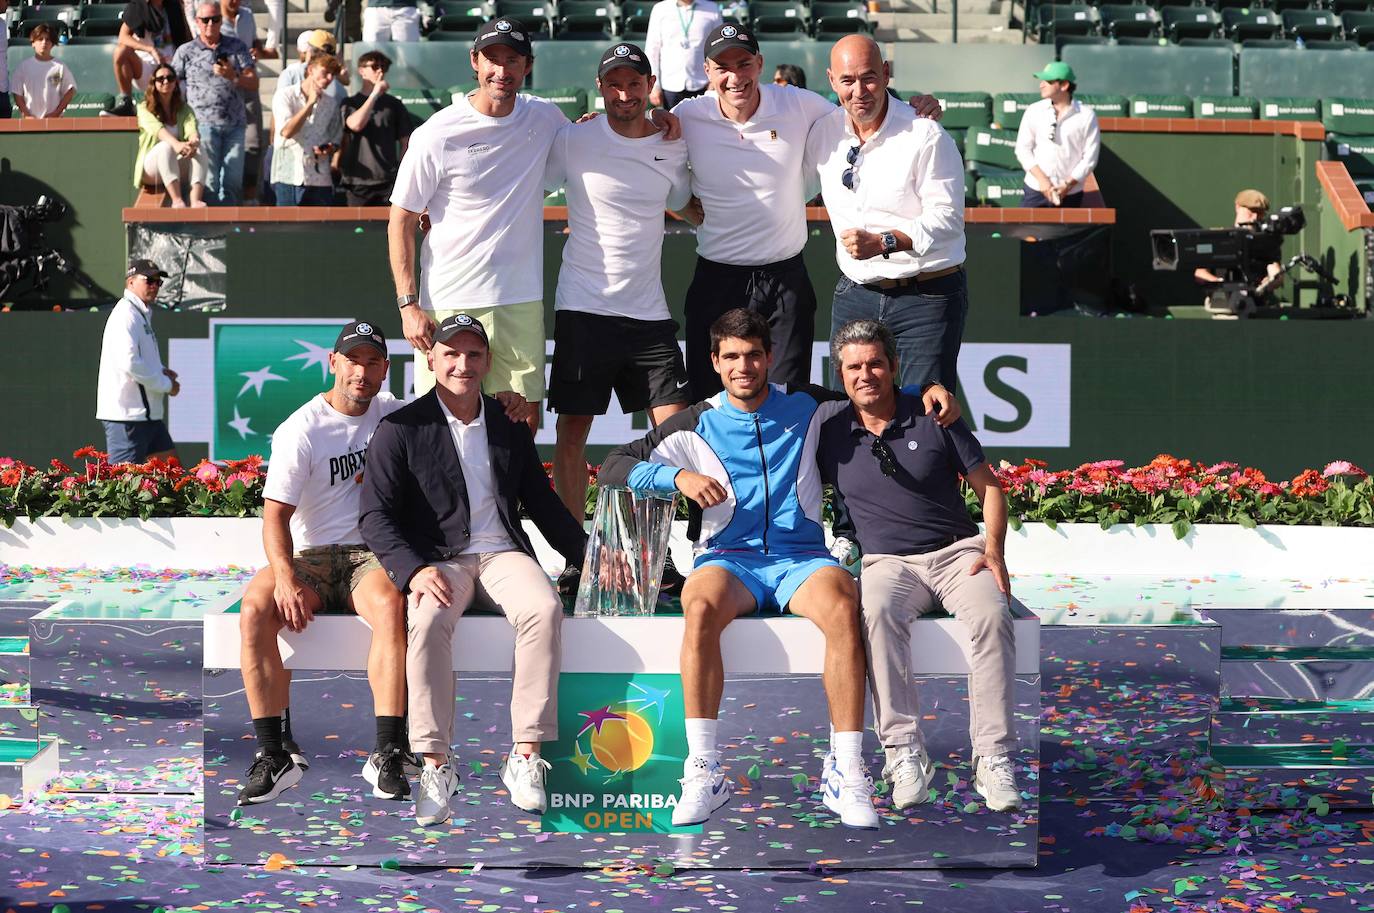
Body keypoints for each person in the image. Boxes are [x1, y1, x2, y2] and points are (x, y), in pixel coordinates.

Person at [599, 308, 960, 829]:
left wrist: (931, 388)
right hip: (728, 559)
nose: (743, 366)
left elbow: (873, 391)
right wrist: (676, 478)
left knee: (843, 604)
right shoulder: (696, 420)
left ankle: (846, 768)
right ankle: (703, 771)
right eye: (731, 357)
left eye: (753, 355)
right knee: (698, 607)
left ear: (769, 357)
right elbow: (615, 466)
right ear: (714, 363)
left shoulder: (810, 405)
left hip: (802, 559)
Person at [359, 313, 588, 827]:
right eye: (451, 354)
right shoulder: (400, 428)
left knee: (545, 607)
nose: (463, 364)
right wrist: (413, 571)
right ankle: (436, 765)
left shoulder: (509, 421)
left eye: (474, 355)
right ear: (432, 359)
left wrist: (593, 559)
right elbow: (375, 517)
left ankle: (525, 755)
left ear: (487, 362)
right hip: (437, 561)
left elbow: (543, 503)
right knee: (428, 621)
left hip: (504, 554)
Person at [389, 18, 676, 423]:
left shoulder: (546, 119)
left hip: (519, 300)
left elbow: (599, 137)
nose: (501, 71)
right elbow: (400, 219)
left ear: (528, 66)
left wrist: (659, 118)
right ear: (475, 61)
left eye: (513, 59)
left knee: (521, 427)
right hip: (449, 297)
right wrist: (408, 305)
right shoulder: (438, 132)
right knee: (445, 428)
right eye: (492, 59)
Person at [815, 319, 1021, 813]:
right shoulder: (828, 431)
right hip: (886, 563)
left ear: (894, 367)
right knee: (876, 614)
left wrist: (993, 550)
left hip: (957, 554)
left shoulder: (935, 416)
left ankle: (993, 758)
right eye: (854, 367)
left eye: (875, 364)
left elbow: (989, 487)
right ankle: (902, 753)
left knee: (994, 616)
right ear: (840, 375)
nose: (866, 375)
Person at [673, 25, 943, 399]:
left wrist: (917, 107)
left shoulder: (798, 104)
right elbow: (648, 153)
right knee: (709, 401)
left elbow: (860, 104)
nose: (735, 77)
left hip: (785, 279)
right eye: (723, 67)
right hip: (716, 278)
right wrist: (682, 205)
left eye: (744, 64)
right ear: (707, 72)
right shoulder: (686, 115)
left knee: (790, 400)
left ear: (760, 64)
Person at [237, 321, 410, 806]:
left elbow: (459, 401)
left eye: (373, 361)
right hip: (311, 557)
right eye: (353, 360)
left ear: (385, 370)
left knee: (393, 606)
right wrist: (287, 579)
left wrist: (509, 400)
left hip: (370, 556)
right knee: (255, 609)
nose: (362, 370)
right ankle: (276, 755)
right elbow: (274, 519)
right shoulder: (301, 428)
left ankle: (388, 752)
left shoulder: (396, 413)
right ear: (333, 364)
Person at [543, 42, 693, 523]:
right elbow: (521, 185)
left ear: (650, 87)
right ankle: (573, 551)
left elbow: (692, 206)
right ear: (600, 88)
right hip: (584, 310)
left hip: (650, 315)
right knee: (572, 431)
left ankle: (659, 551)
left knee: (677, 435)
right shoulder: (573, 139)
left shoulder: (673, 144)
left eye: (634, 83)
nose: (624, 93)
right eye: (615, 84)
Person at [804, 35, 967, 393]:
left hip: (926, 295)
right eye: (847, 80)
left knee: (925, 419)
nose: (859, 90)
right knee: (847, 416)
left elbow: (948, 220)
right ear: (832, 81)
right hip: (855, 293)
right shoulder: (823, 132)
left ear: (887, 74)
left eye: (869, 77)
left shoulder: (926, 133)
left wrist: (883, 242)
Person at [171, 1, 258, 205]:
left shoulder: (237, 46)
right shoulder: (186, 51)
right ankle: (210, 234)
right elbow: (171, 84)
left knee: (233, 183)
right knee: (208, 183)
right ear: (197, 22)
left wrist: (233, 76)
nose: (210, 24)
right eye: (205, 20)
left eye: (215, 19)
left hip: (235, 124)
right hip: (202, 126)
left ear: (221, 20)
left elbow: (253, 82)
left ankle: (229, 232)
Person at [96, 259, 180, 463]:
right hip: (128, 418)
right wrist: (166, 385)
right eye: (149, 280)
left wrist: (161, 370)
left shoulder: (140, 313)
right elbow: (129, 362)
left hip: (147, 417)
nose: (154, 286)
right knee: (122, 489)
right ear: (130, 282)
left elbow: (140, 358)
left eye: (158, 282)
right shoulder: (126, 315)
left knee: (171, 475)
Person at [1015, 62, 1099, 209]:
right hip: (1035, 191)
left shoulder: (1086, 116)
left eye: (1048, 81)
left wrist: (1066, 186)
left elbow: (1090, 158)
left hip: (1071, 194)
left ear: (1064, 85)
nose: (1041, 84)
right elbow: (1022, 149)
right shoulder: (1034, 110)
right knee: (1026, 232)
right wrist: (1043, 181)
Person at [339, 50, 411, 207]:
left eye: (383, 67)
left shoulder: (394, 104)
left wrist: (400, 171)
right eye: (375, 66)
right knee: (356, 230)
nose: (380, 70)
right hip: (357, 181)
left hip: (387, 182)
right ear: (362, 71)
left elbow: (406, 141)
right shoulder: (350, 102)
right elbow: (355, 125)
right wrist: (374, 94)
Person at [270, 52, 343, 206]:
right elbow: (286, 132)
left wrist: (329, 148)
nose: (329, 78)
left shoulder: (331, 103)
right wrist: (310, 104)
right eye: (325, 72)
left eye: (332, 74)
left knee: (320, 228)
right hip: (289, 174)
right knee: (287, 226)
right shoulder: (285, 95)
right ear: (311, 70)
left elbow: (336, 137)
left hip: (319, 176)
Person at [134, 63, 209, 208]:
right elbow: (158, 130)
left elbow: (191, 128)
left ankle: (195, 200)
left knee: (199, 149)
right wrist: (177, 144)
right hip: (151, 169)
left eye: (170, 78)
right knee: (165, 147)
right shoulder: (144, 108)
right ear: (153, 83)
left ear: (176, 82)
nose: (166, 82)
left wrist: (193, 141)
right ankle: (177, 200)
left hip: (175, 164)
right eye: (160, 79)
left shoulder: (184, 108)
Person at [1193, 188, 1285, 298]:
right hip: (1224, 302)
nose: (1255, 217)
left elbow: (1275, 272)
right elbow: (1200, 273)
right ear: (1237, 207)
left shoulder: (1266, 242)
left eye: (1260, 213)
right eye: (1251, 211)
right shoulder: (1220, 238)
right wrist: (1220, 283)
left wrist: (1271, 281)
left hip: (1258, 302)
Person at [112, 0, 190, 117]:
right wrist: (150, 49)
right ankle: (126, 102)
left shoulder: (175, 6)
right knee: (121, 51)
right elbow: (123, 37)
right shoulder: (138, 7)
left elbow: (187, 38)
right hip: (147, 66)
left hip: (173, 67)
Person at [645, 0, 722, 111]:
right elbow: (652, 49)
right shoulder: (660, 9)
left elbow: (717, 47)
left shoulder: (712, 8)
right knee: (672, 126)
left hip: (703, 85)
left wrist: (714, 81)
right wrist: (654, 86)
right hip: (670, 86)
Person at [11, 25, 76, 119]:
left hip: (54, 122)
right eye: (40, 39)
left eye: (48, 40)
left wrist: (56, 113)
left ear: (52, 44)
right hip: (30, 122)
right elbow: (17, 93)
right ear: (33, 42)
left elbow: (70, 90)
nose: (44, 42)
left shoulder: (60, 67)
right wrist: (27, 114)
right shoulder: (23, 67)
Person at [278, 31, 349, 103]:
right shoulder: (290, 75)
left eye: (327, 55)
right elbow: (280, 107)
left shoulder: (337, 87)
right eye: (317, 52)